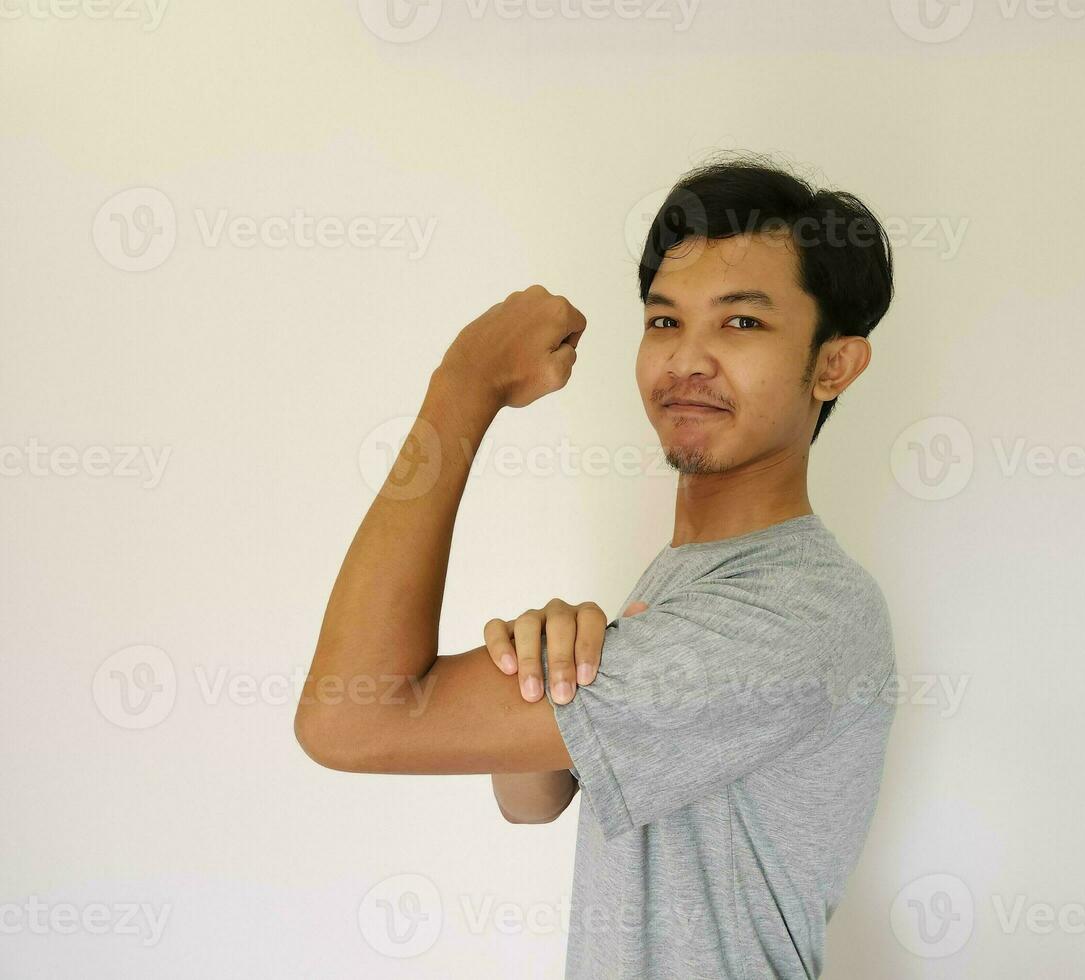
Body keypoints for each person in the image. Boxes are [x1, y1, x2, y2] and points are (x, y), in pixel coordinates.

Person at [295, 152, 898, 978]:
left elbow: (347, 720)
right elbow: (533, 799)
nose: (686, 359)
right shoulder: (689, 576)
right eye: (663, 320)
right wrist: (541, 663)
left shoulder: (794, 610)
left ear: (833, 365)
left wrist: (462, 387)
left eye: (741, 322)